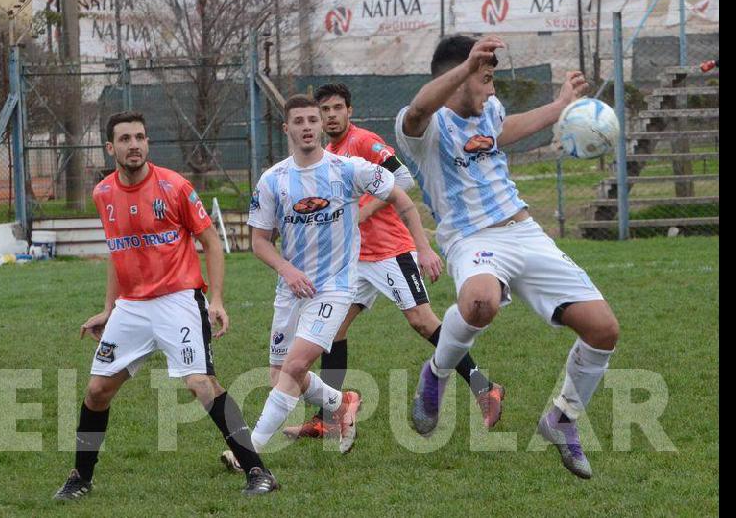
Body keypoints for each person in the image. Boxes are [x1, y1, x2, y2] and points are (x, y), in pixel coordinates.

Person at [395, 35, 620, 479]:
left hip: (525, 232)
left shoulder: (489, 110)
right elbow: (420, 109)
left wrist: (560, 106)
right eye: (487, 78)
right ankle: (437, 373)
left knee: (604, 330)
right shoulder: (423, 126)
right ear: (455, 78)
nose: (493, 89)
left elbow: (505, 129)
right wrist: (468, 68)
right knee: (480, 303)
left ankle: (561, 420)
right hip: (469, 237)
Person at [53, 111, 277, 500]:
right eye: (125, 139)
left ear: (147, 143)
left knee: (200, 384)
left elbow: (210, 243)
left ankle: (258, 471)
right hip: (132, 306)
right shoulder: (102, 193)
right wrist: (109, 308)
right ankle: (80, 479)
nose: (134, 145)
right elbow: (117, 253)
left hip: (178, 300)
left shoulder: (174, 186)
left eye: (140, 137)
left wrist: (217, 298)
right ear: (111, 148)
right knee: (97, 391)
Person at [282, 83, 504, 441]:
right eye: (325, 110)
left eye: (338, 108)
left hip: (390, 252)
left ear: (349, 111)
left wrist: (372, 216)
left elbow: (403, 178)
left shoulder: (363, 141)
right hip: (354, 260)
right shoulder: (328, 153)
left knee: (421, 321)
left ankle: (485, 387)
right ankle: (328, 417)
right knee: (333, 331)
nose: (331, 115)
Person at [238, 94, 443, 462]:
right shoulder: (273, 179)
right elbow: (258, 242)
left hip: (334, 286)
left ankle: (248, 452)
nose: (306, 127)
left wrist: (423, 246)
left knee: (296, 366)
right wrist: (285, 268)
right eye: (298, 121)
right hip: (291, 288)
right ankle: (340, 401)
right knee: (279, 375)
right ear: (287, 128)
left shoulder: (349, 169)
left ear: (321, 126)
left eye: (312, 121)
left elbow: (403, 196)